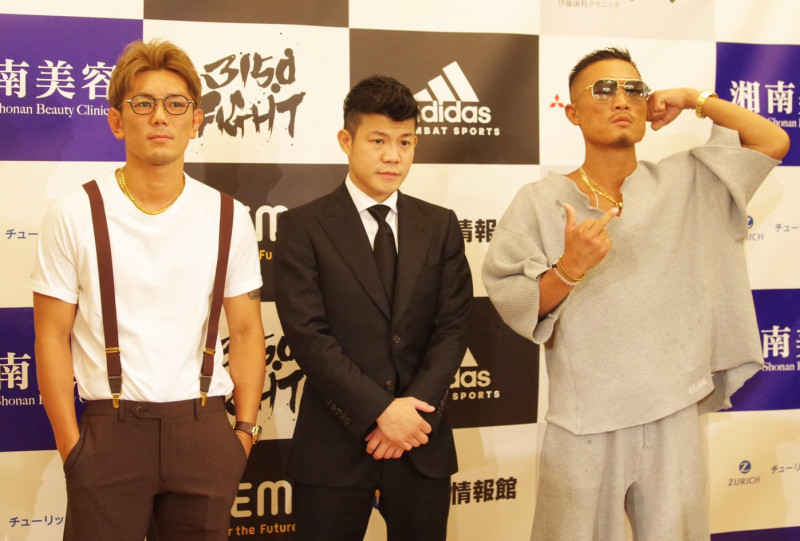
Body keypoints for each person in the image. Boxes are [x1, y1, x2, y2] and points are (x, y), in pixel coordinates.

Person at [482, 47, 790, 541]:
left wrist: (692, 98)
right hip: (583, 421)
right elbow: (518, 301)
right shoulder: (539, 202)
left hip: (673, 413)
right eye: (603, 90)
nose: (621, 99)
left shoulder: (687, 179)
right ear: (572, 112)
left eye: (634, 89)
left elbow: (772, 141)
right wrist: (570, 268)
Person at [29, 39, 266, 541]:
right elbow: (50, 336)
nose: (160, 116)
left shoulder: (229, 216)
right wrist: (72, 446)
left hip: (204, 431)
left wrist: (244, 433)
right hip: (109, 435)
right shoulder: (74, 213)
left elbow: (247, 332)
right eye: (143, 103)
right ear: (117, 121)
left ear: (195, 120)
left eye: (175, 104)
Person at [273, 75, 472, 540]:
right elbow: (308, 335)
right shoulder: (303, 226)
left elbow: (453, 327)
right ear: (346, 141)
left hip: (420, 443)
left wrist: (410, 418)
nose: (393, 156)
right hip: (335, 445)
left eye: (405, 142)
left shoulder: (439, 225)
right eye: (378, 140)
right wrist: (381, 412)